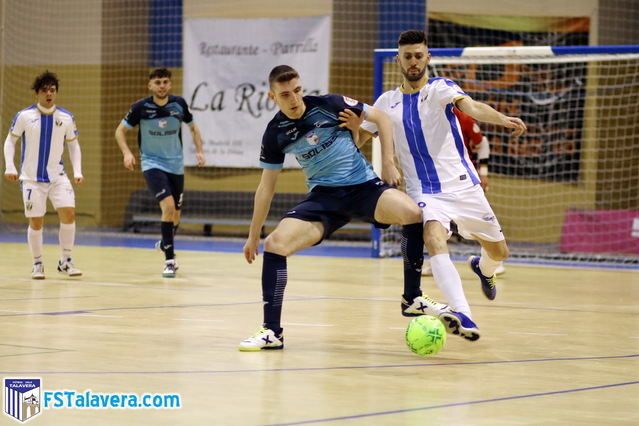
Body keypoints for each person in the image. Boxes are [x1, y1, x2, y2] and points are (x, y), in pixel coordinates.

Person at [238, 65, 469, 351]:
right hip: (324, 198)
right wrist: (252, 235)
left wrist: (387, 161)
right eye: (285, 94)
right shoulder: (275, 133)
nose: (294, 99)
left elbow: (383, 118)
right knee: (275, 244)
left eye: (297, 90)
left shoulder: (329, 104)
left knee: (412, 213)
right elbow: (266, 187)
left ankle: (413, 298)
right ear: (272, 96)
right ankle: (272, 332)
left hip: (364, 188)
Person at [342, 30, 526, 337]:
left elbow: (473, 107)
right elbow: (360, 139)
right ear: (397, 59)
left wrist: (504, 119)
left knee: (500, 251)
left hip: (464, 186)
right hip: (424, 192)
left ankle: (483, 269)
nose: (413, 62)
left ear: (428, 58)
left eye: (418, 56)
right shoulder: (386, 103)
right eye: (407, 56)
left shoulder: (442, 88)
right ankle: (463, 314)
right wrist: (353, 128)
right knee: (432, 236)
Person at [115, 68, 205, 278]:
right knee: (168, 206)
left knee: (176, 215)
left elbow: (193, 128)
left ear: (170, 84)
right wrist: (127, 153)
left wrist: (200, 151)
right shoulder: (141, 107)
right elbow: (120, 131)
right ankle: (170, 261)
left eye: (165, 82)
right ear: (150, 86)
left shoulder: (179, 104)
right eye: (157, 82)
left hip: (176, 165)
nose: (162, 85)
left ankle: (166, 242)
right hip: (152, 163)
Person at [3, 71, 84, 279]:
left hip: (58, 177)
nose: (49, 94)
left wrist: (77, 171)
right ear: (36, 94)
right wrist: (9, 166)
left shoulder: (66, 117)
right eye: (44, 90)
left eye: (52, 90)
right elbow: (10, 141)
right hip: (31, 180)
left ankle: (65, 260)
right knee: (36, 222)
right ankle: (37, 263)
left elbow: (74, 146)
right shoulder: (24, 116)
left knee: (69, 214)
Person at [421, 107, 505, 276]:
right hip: (438, 181)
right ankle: (436, 262)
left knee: (481, 223)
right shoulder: (425, 118)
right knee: (435, 223)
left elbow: (483, 144)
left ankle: (493, 262)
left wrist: (483, 173)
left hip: (466, 181)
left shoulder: (464, 118)